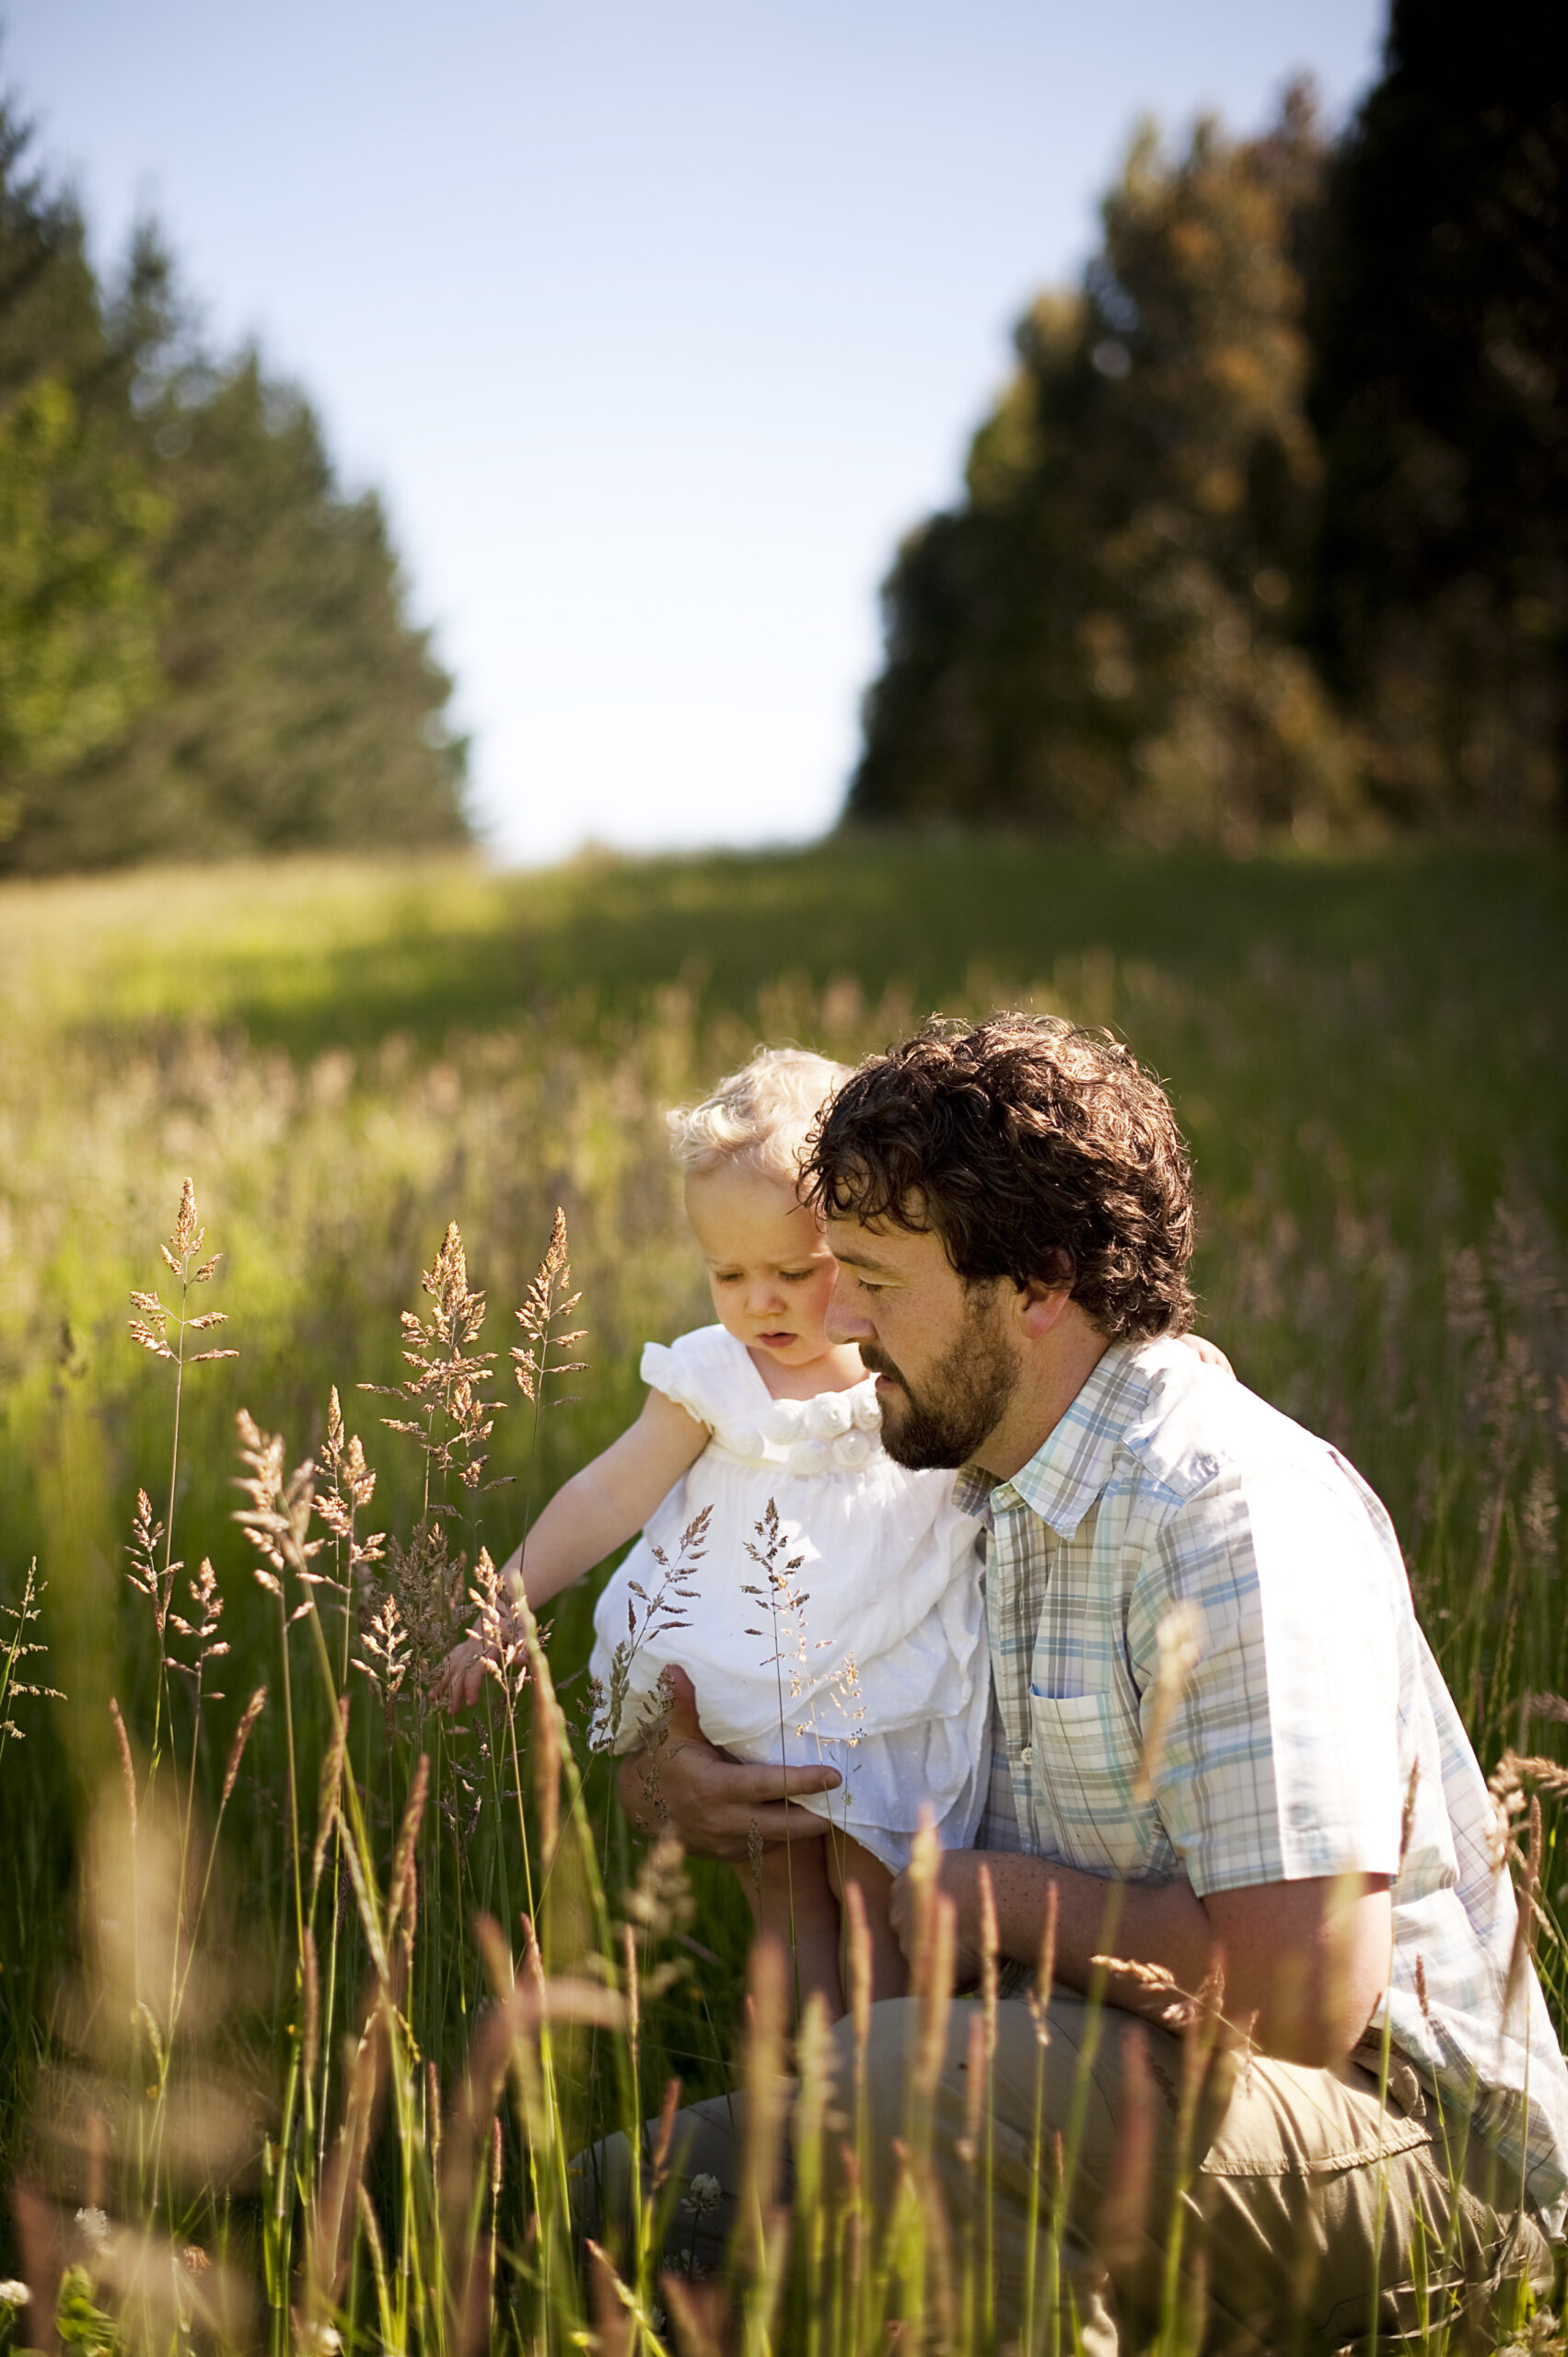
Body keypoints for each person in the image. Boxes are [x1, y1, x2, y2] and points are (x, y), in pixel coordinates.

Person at [611, 1014, 1568, 2352]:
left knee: (901, 2091)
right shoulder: (948, 1479)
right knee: (599, 2200)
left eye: (873, 1281)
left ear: (1035, 1284)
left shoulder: (1223, 1513)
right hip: (1067, 2068)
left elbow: (1302, 1997)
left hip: (1404, 2152)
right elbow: (756, 1700)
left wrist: (991, 1900)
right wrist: (676, 1783)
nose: (831, 1319)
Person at [438, 1047, 992, 2013]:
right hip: (749, 1687)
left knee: (883, 1900)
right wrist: (505, 1605)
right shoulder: (716, 1375)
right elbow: (610, 1494)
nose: (760, 1301)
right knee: (786, 1907)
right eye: (726, 1272)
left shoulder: (903, 1367)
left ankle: (891, 2091)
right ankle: (797, 2107)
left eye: (794, 1270)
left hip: (886, 1681)